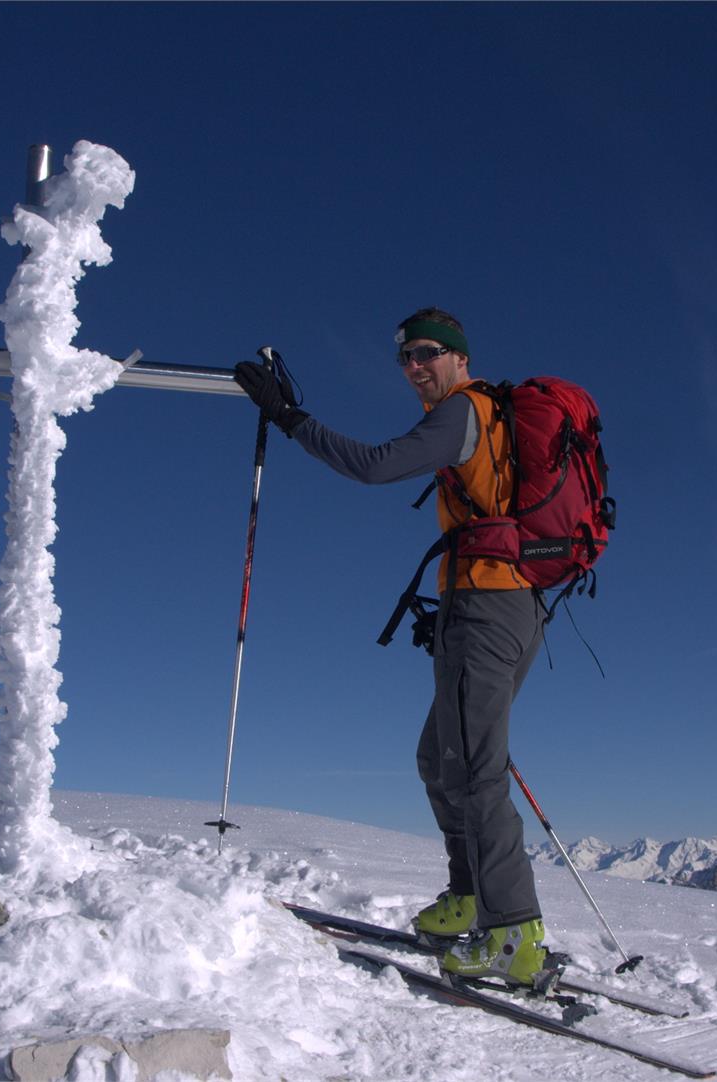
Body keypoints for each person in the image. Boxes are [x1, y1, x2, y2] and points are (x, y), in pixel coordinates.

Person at [233, 308, 553, 987]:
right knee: (441, 758)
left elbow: (375, 466)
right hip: (490, 603)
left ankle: (513, 934)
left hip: (492, 604)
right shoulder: (489, 418)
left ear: (460, 358)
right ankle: (471, 896)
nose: (414, 368)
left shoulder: (464, 411)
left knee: (473, 768)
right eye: (405, 358)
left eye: (428, 354)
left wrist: (291, 418)